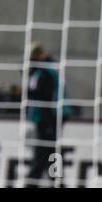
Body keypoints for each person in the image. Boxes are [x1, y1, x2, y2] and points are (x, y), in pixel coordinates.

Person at [25, 42, 72, 187]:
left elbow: (44, 96)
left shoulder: (45, 71)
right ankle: (55, 182)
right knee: (48, 153)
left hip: (49, 118)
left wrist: (48, 122)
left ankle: (34, 182)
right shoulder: (48, 68)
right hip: (51, 117)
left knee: (44, 154)